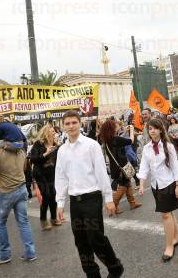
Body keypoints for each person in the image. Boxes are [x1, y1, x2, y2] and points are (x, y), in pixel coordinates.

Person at [55, 110, 124, 278]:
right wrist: (60, 203)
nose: (71, 126)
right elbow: (61, 177)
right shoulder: (62, 151)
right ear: (63, 127)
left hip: (91, 198)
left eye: (74, 122)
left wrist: (109, 199)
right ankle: (92, 274)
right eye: (67, 123)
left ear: (80, 124)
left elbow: (101, 173)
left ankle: (115, 267)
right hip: (75, 201)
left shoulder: (91, 145)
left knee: (95, 238)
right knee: (81, 242)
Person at [0, 114, 37, 266]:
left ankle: (4, 254)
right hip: (22, 188)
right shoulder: (20, 150)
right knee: (23, 221)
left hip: (7, 191)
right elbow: (25, 167)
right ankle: (30, 252)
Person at [137, 118, 178, 262]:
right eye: (150, 129)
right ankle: (177, 236)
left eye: (155, 128)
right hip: (155, 185)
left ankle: (169, 246)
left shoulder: (168, 146)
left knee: (165, 215)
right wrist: (141, 183)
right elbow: (144, 167)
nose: (152, 131)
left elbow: (175, 166)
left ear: (161, 130)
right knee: (169, 212)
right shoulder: (146, 148)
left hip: (168, 184)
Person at [98, 119, 141, 215]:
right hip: (122, 166)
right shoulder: (115, 139)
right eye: (115, 125)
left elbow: (119, 140)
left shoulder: (108, 139)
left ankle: (132, 203)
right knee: (123, 186)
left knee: (128, 183)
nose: (118, 126)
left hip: (116, 166)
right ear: (112, 128)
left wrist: (125, 131)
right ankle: (114, 205)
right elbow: (130, 141)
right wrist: (131, 130)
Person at [30, 124, 61, 230]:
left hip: (51, 173)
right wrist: (45, 153)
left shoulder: (56, 144)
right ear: (46, 133)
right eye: (52, 131)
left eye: (54, 132)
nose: (54, 133)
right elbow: (32, 159)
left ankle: (53, 218)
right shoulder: (39, 144)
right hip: (40, 173)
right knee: (46, 196)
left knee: (53, 195)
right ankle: (43, 221)